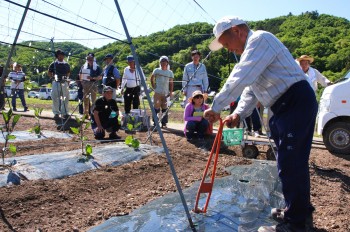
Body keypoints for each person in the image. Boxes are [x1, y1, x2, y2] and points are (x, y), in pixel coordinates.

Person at [204, 16, 318, 231]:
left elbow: (241, 76)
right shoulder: (253, 53)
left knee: (291, 163)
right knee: (289, 162)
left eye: (227, 43)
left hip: (294, 101)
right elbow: (250, 90)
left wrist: (217, 105)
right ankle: (297, 209)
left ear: (237, 31)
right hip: (284, 106)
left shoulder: (261, 40)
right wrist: (238, 114)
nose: (229, 49)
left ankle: (296, 223)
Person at [150, 56, 174, 128]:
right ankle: (155, 122)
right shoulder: (156, 70)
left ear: (167, 63)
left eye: (165, 61)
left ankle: (164, 123)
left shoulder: (170, 72)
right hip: (157, 92)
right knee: (156, 107)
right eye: (162, 61)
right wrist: (153, 86)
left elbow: (171, 83)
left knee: (164, 108)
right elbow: (152, 78)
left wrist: (171, 92)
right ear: (160, 62)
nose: (163, 63)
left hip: (165, 93)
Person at [48, 49, 70, 119]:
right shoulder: (53, 64)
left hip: (64, 82)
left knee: (65, 98)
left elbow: (68, 72)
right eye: (60, 55)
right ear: (57, 56)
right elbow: (49, 72)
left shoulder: (66, 64)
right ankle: (56, 113)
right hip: (56, 82)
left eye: (62, 55)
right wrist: (52, 77)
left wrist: (67, 79)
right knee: (55, 98)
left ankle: (65, 112)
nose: (61, 57)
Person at [79, 52, 102, 118]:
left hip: (93, 84)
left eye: (91, 59)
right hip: (85, 84)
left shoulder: (97, 67)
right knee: (85, 99)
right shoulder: (84, 66)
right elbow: (80, 74)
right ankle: (85, 114)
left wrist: (92, 78)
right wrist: (82, 82)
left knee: (93, 100)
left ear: (93, 59)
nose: (89, 60)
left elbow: (100, 77)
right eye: (88, 59)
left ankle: (93, 114)